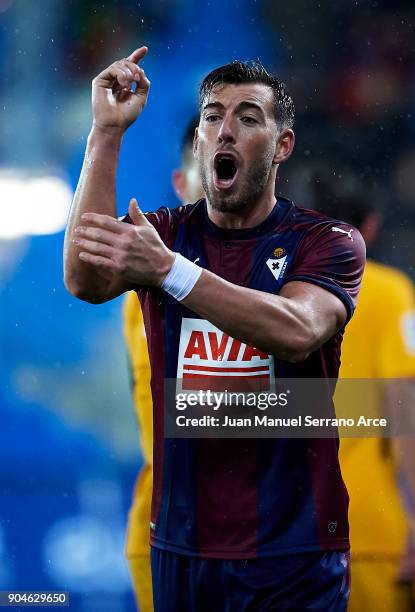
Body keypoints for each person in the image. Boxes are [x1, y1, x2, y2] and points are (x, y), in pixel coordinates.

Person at [63, 46, 366, 610]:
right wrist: (105, 133)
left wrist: (170, 273)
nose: (225, 130)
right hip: (183, 545)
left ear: (281, 147)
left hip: (295, 553)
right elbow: (84, 279)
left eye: (248, 118)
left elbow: (300, 329)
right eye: (212, 117)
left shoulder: (327, 242)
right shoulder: (167, 235)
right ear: (199, 142)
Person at [310, 177, 415, 611]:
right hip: (373, 534)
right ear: (369, 228)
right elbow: (405, 416)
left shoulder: (279, 298)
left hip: (296, 538)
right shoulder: (390, 294)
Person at [123, 117, 203, 612]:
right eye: (211, 167)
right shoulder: (149, 278)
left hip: (271, 540)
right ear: (181, 184)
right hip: (174, 534)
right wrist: (105, 136)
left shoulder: (299, 268)